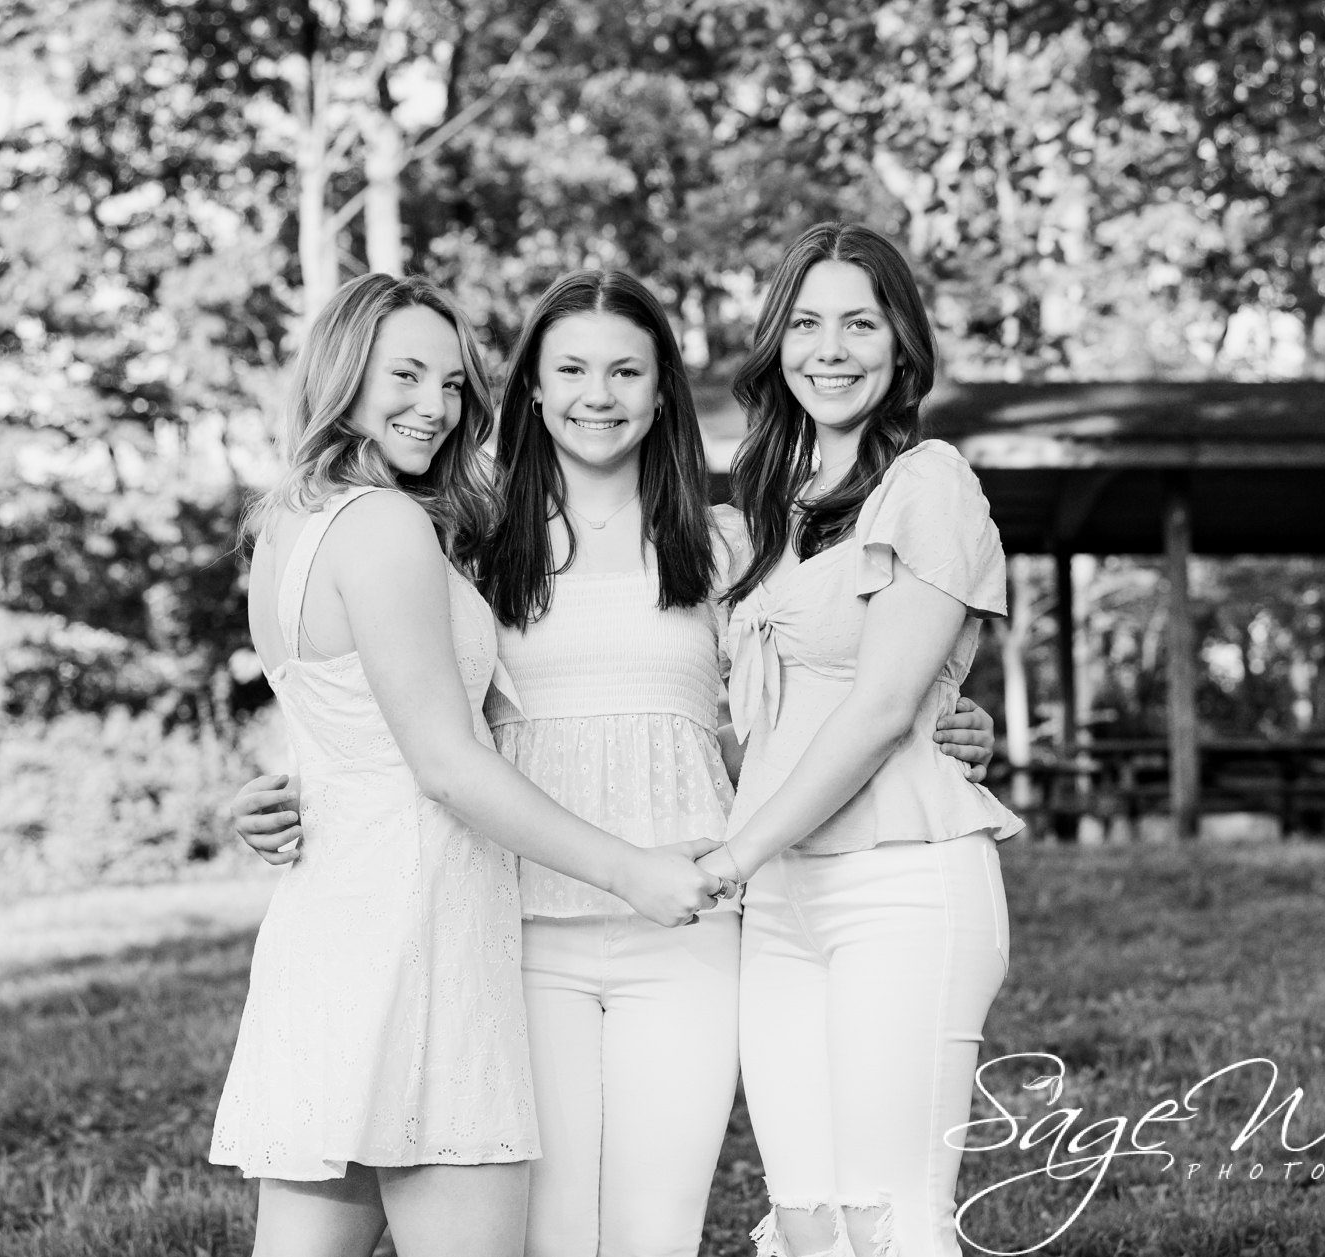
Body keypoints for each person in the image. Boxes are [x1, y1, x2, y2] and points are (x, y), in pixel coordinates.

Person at [229, 266, 1000, 1257]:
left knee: (653, 1227)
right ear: (534, 392)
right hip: (518, 927)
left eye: (627, 371)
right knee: (544, 1232)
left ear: (661, 393)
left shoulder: (728, 547)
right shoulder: (468, 544)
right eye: (571, 370)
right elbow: (380, 704)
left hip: (685, 921)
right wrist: (270, 790)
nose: (599, 394)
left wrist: (947, 713)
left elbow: (828, 679)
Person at [207, 272, 725, 1257]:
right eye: (404, 375)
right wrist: (635, 867)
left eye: (450, 385)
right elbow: (443, 765)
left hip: (328, 930)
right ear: (342, 373)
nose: (435, 408)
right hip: (423, 926)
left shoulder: (288, 527)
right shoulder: (391, 527)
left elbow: (338, 715)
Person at [694, 222, 1023, 1257]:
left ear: (899, 345)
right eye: (804, 323)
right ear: (774, 344)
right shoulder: (763, 515)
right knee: (806, 1224)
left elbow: (881, 709)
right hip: (782, 899)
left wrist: (727, 859)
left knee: (892, 1225)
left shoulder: (928, 482)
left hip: (901, 886)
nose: (828, 350)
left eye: (857, 323)